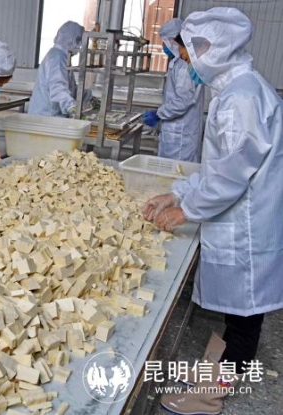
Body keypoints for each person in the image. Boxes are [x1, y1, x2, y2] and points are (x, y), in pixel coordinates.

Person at [141, 8, 283, 415]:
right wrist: (176, 194)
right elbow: (217, 167)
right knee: (237, 314)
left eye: (188, 54)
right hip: (241, 220)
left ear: (212, 50)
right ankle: (211, 370)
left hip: (248, 227)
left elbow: (230, 178)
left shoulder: (242, 99)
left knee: (246, 317)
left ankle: (210, 395)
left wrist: (186, 209)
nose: (187, 62)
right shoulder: (235, 91)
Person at [142, 18, 204, 162]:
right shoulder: (177, 63)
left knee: (178, 171)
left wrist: (159, 114)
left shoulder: (183, 66)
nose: (163, 46)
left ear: (173, 41)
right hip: (175, 133)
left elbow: (183, 100)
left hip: (181, 136)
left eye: (164, 42)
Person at [28, 21, 95, 118]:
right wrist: (72, 107)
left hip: (50, 117)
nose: (79, 46)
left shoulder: (61, 56)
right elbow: (58, 88)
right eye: (79, 42)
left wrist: (88, 97)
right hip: (46, 118)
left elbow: (70, 88)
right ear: (73, 41)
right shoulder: (57, 58)